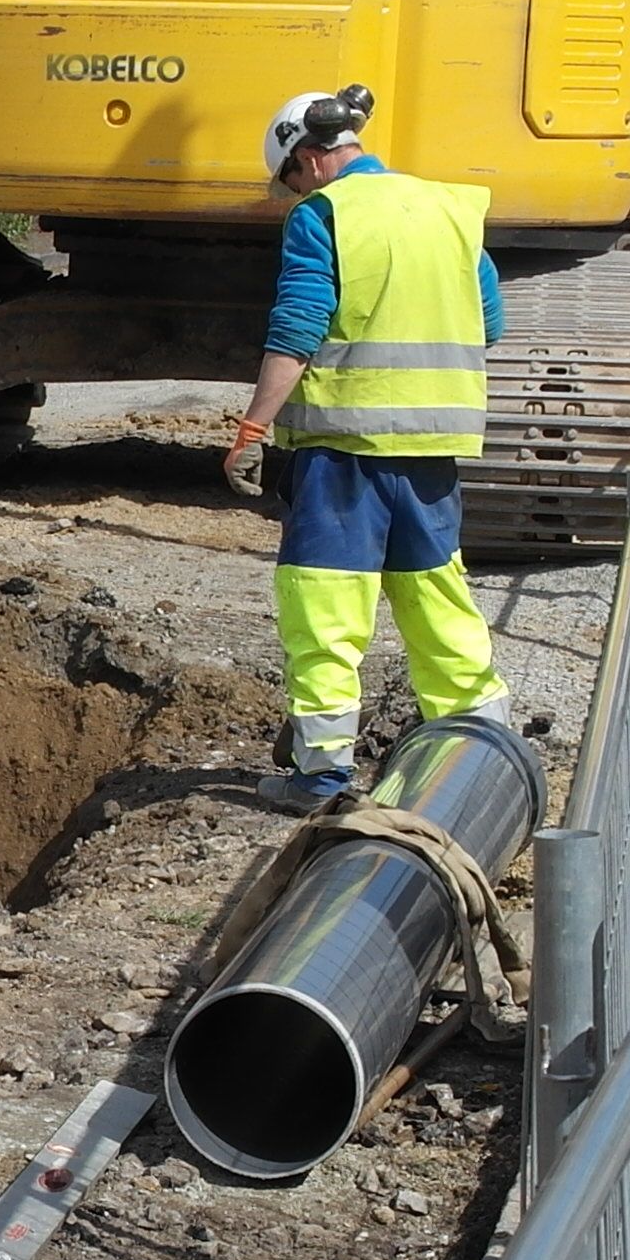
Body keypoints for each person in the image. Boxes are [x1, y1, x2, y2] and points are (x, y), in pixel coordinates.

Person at [222, 85, 505, 809]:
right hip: (432, 449)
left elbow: (298, 327)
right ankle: (480, 757)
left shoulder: (325, 215)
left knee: (325, 606)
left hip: (343, 450)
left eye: (288, 180)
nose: (291, 193)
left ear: (309, 160)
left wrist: (253, 427)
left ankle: (321, 775)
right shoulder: (448, 207)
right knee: (437, 598)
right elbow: (490, 322)